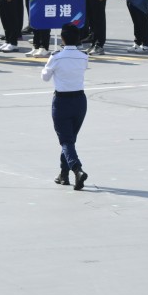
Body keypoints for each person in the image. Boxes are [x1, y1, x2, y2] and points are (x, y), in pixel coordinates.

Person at [41, 23, 89, 190]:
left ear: (62, 38)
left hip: (62, 101)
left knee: (66, 140)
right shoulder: (84, 56)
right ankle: (63, 174)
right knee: (69, 140)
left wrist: (51, 63)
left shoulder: (56, 56)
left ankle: (77, 169)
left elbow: (45, 77)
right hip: (80, 101)